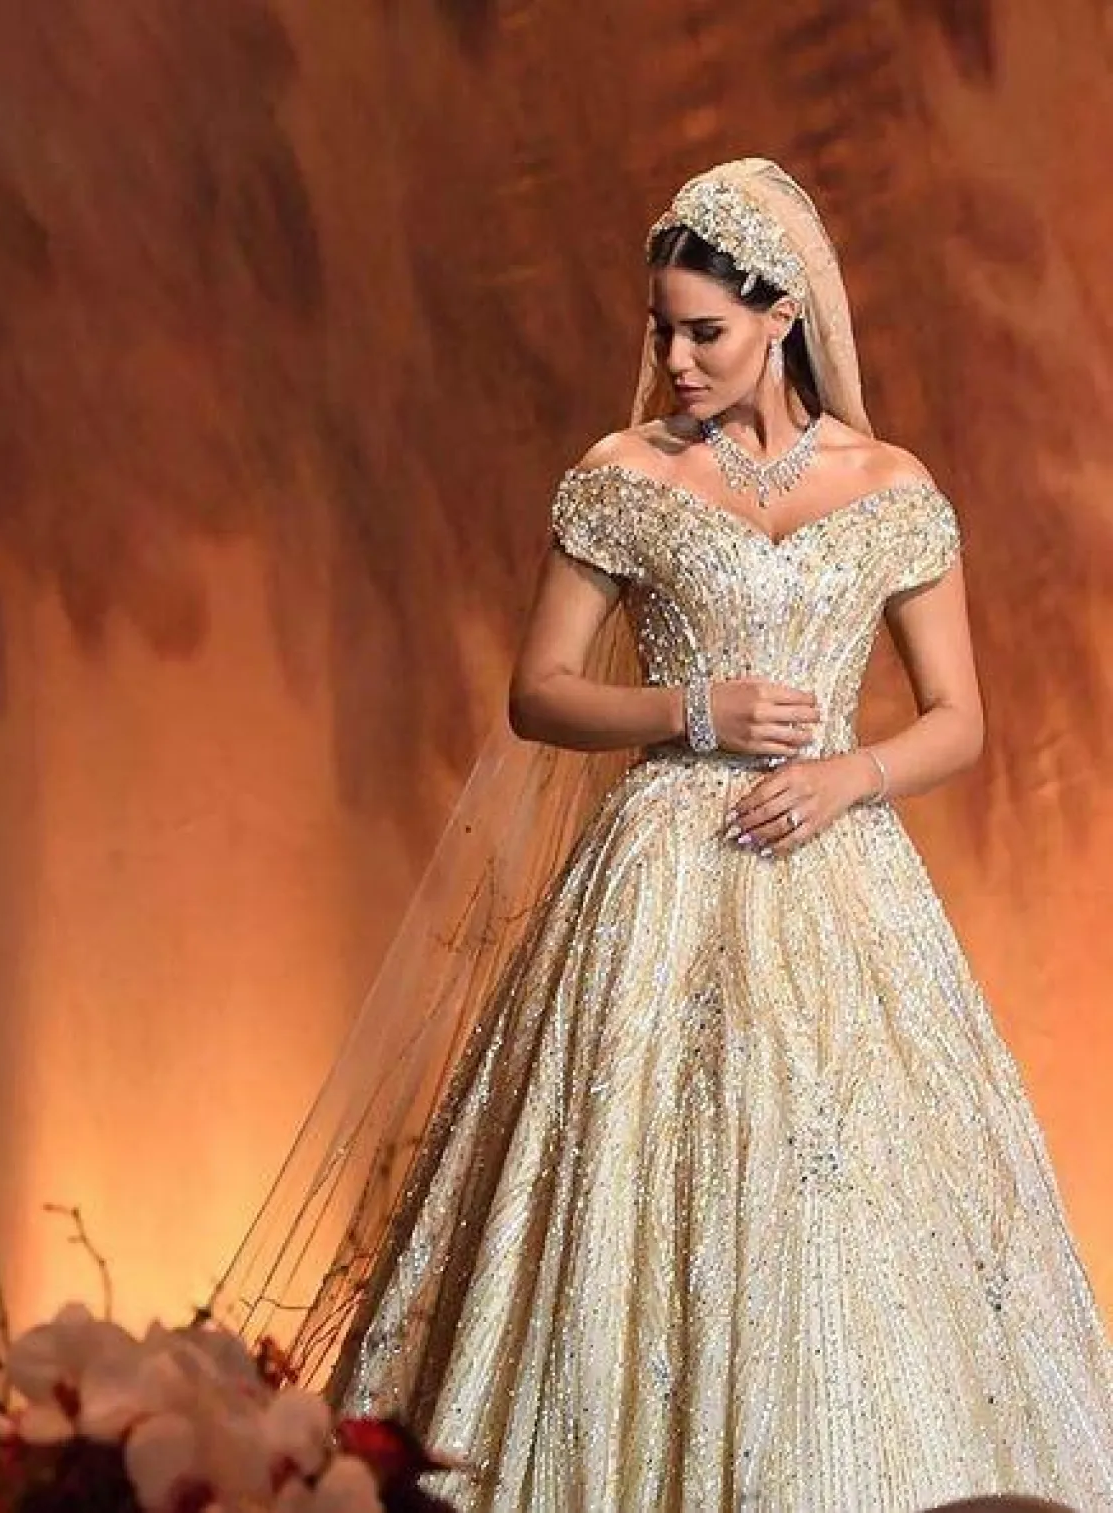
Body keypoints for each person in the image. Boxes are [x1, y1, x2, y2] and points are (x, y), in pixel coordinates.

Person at [220, 161, 1113, 1510]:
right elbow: (538, 692)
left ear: (784, 316)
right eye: (663, 330)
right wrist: (692, 708)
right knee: (624, 1194)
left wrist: (850, 775)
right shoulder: (624, 477)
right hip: (660, 877)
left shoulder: (889, 488)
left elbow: (961, 720)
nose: (677, 360)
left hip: (836, 878)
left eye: (706, 330)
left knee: (840, 1201)